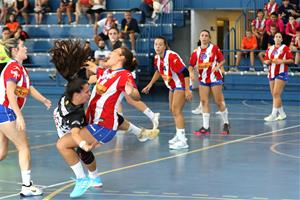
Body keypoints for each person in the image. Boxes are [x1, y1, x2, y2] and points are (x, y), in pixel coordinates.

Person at [50, 42, 159, 197]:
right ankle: (95, 179)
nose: (110, 53)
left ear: (120, 58)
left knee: (62, 145)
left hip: (103, 126)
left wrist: (130, 90)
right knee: (82, 150)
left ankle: (82, 180)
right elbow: (92, 69)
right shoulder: (106, 73)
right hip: (95, 121)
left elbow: (136, 95)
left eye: (114, 51)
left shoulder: (124, 75)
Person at [0, 38, 52, 197]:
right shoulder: (13, 68)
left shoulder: (21, 70)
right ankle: (27, 186)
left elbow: (28, 89)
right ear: (15, 50)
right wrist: (19, 115)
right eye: (22, 46)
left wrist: (43, 99)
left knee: (1, 152)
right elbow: (10, 91)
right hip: (7, 111)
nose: (26, 48)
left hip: (3, 112)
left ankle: (27, 186)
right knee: (24, 147)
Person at [142, 36, 192, 150]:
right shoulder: (157, 58)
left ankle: (183, 141)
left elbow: (185, 72)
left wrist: (188, 89)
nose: (158, 46)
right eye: (156, 44)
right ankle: (178, 135)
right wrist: (150, 84)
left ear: (165, 46)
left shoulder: (171, 56)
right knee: (172, 109)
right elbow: (158, 71)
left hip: (181, 84)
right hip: (172, 86)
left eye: (160, 44)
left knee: (177, 110)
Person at [188, 30, 230, 136]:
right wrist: (191, 73)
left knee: (218, 102)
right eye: (202, 35)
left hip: (215, 78)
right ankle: (206, 127)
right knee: (203, 102)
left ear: (209, 38)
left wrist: (217, 66)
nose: (204, 37)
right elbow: (191, 65)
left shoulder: (214, 48)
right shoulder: (196, 51)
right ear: (199, 38)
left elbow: (222, 60)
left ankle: (226, 123)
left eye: (206, 35)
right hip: (203, 79)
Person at [263, 32, 294, 121]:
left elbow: (291, 60)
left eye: (279, 37)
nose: (278, 38)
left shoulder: (285, 48)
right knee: (274, 95)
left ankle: (273, 115)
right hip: (271, 72)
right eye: (276, 37)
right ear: (274, 39)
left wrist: (282, 61)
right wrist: (267, 62)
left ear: (281, 39)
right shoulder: (270, 49)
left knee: (276, 93)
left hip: (281, 72)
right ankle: (282, 113)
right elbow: (265, 60)